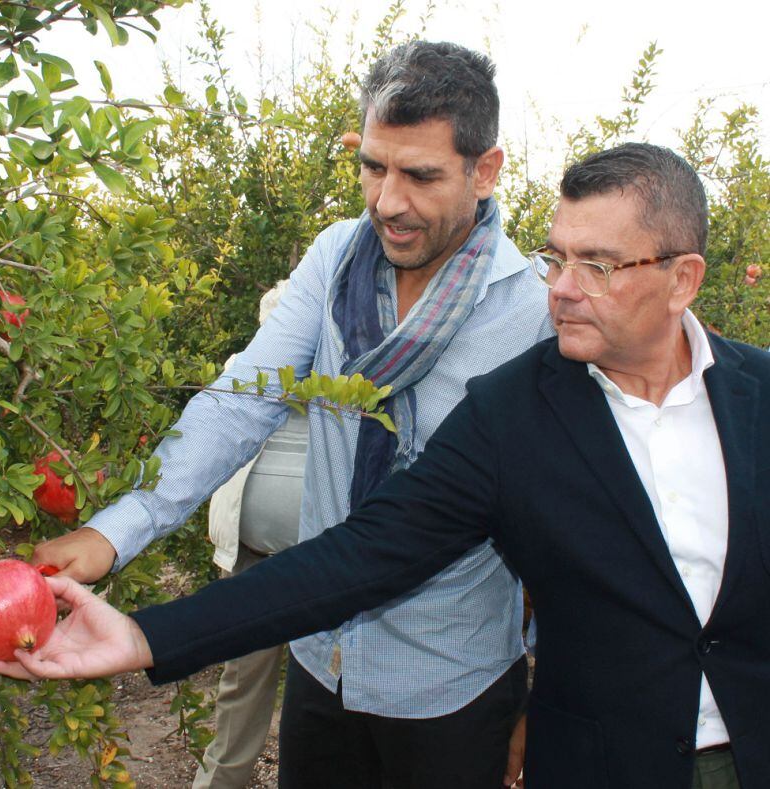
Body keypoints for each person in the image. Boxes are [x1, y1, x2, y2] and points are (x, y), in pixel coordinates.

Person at [0, 143, 770, 789]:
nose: (560, 290)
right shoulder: (516, 415)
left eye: (597, 265)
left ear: (683, 280)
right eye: (557, 257)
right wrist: (144, 636)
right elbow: (355, 557)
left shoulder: (759, 396)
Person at [32, 40, 553, 788]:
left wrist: (549, 692)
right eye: (374, 166)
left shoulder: (532, 311)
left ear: (487, 169)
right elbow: (243, 399)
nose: (387, 201)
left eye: (421, 175)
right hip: (322, 657)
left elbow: (561, 529)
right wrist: (115, 531)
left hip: (451, 682)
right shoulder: (339, 256)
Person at [197, 280, 305, 788]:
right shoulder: (243, 370)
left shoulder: (348, 382)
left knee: (321, 697)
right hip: (253, 560)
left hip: (324, 568)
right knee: (241, 688)